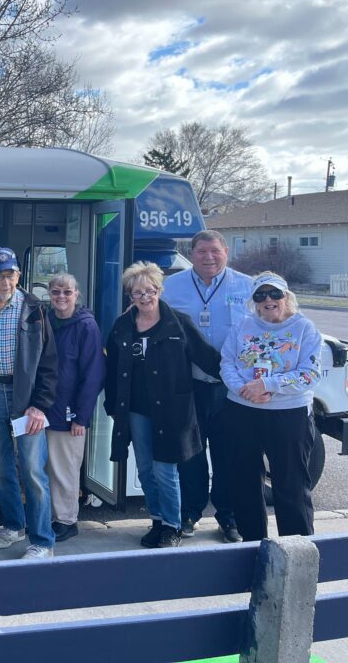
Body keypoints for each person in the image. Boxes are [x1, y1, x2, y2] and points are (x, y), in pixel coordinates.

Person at [104, 262, 219, 550]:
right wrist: (112, 403)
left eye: (149, 291)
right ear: (130, 296)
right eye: (136, 293)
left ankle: (172, 525)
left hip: (171, 411)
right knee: (144, 469)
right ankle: (157, 519)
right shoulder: (122, 326)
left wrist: (240, 382)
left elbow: (208, 359)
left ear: (159, 290)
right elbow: (112, 367)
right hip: (136, 411)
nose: (144, 297)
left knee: (165, 470)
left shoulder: (177, 323)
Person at [0, 248, 58, 559]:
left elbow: (49, 363)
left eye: (12, 275)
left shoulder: (34, 309)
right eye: (0, 275)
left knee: (33, 471)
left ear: (19, 276)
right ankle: (14, 526)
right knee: (0, 469)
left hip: (26, 399)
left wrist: (39, 405)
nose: (7, 281)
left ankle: (42, 541)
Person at [163, 230, 252, 542]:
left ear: (226, 251)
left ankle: (228, 516)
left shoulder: (248, 287)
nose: (208, 257)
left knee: (229, 455)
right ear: (192, 253)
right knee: (190, 454)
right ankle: (190, 511)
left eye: (214, 251)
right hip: (190, 387)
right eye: (201, 251)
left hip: (232, 390)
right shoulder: (170, 287)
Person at [221, 272, 321, 542]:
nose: (268, 300)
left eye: (275, 293)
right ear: (254, 300)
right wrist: (245, 390)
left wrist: (267, 385)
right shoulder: (243, 326)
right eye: (261, 295)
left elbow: (310, 373)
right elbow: (227, 363)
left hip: (289, 414)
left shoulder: (304, 328)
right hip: (243, 411)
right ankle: (252, 545)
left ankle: (296, 549)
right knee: (244, 482)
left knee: (291, 485)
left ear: (286, 296)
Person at [44, 274, 105, 543]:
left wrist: (82, 415)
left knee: (65, 468)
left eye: (67, 292)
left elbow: (93, 375)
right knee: (44, 467)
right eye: (56, 292)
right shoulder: (45, 320)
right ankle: (47, 517)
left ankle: (66, 520)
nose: (61, 297)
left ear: (77, 294)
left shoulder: (86, 327)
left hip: (68, 413)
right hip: (43, 408)